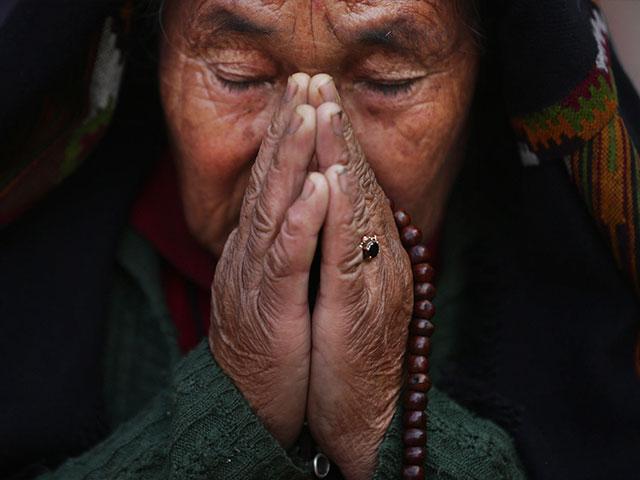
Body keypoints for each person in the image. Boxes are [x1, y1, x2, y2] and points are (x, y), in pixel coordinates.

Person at [0, 0, 638, 479]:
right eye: (239, 75)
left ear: (483, 77)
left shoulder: (580, 314)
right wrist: (230, 410)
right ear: (156, 57)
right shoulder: (33, 273)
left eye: (388, 81)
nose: (305, 151)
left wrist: (382, 424)